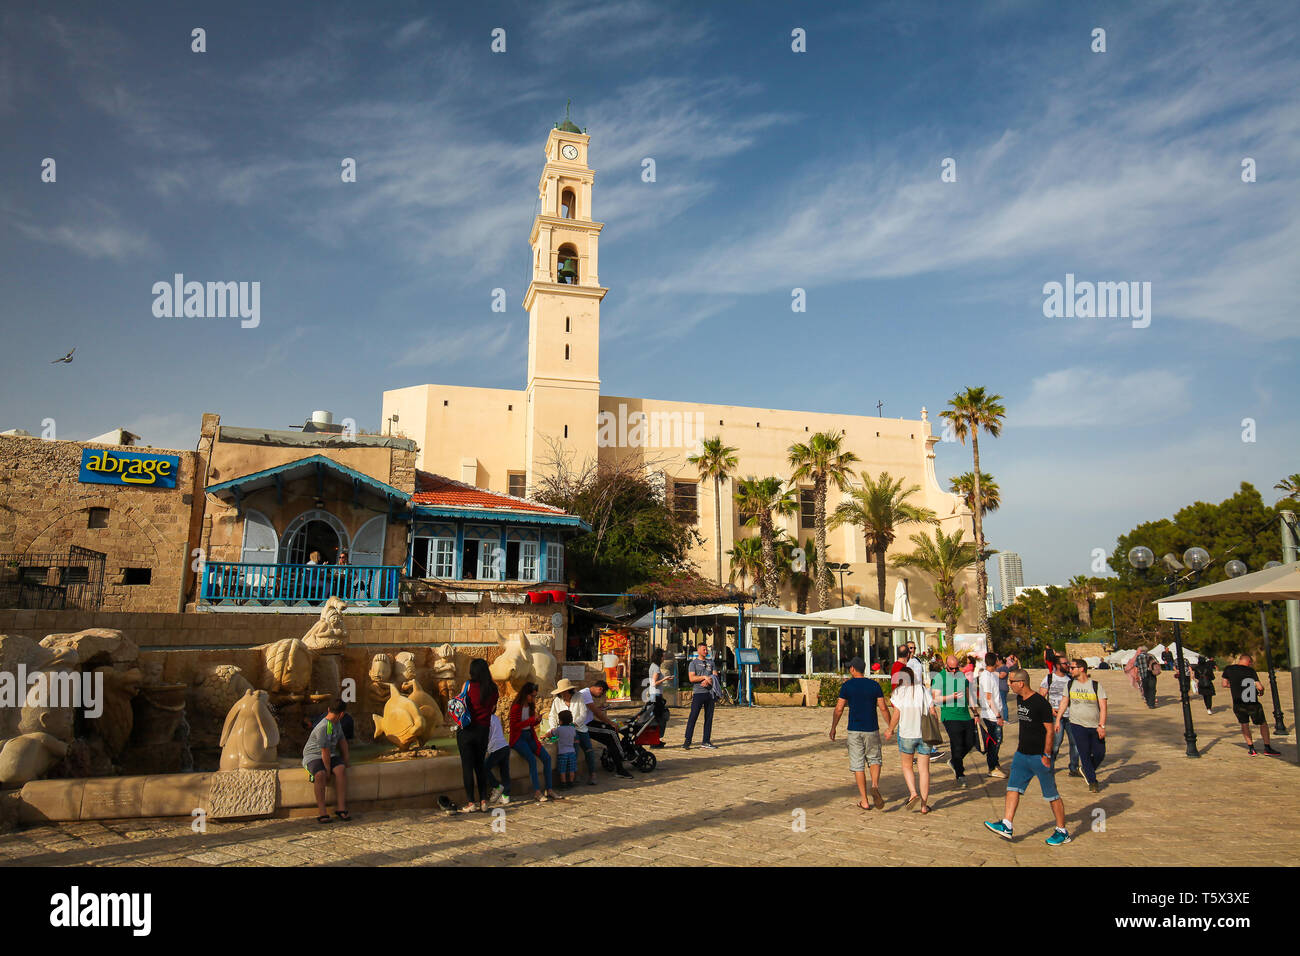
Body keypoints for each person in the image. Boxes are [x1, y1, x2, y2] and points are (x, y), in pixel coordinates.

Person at [985, 669, 1071, 846]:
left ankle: (1062, 830)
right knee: (1012, 788)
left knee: (1051, 795)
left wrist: (1047, 755)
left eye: (1011, 682)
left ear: (1021, 683)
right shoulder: (1019, 698)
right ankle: (1007, 824)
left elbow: (1049, 731)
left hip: (1039, 756)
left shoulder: (1040, 704)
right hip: (1021, 754)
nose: (1008, 684)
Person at [829, 657, 892, 810]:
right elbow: (883, 707)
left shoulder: (847, 686)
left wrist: (833, 727)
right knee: (874, 758)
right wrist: (890, 725)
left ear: (852, 669)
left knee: (858, 765)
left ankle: (864, 800)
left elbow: (839, 708)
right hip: (871, 728)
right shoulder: (874, 685)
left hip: (854, 729)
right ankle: (875, 785)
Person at [888, 667, 940, 813]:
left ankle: (913, 793)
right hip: (924, 734)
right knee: (924, 770)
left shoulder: (899, 692)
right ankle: (924, 806)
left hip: (906, 733)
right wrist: (935, 727)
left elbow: (897, 713)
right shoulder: (922, 689)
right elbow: (932, 711)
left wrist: (890, 729)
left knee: (907, 766)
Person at [455, 658, 498, 812]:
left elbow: (460, 705)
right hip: (483, 731)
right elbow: (493, 710)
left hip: (466, 731)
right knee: (480, 765)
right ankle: (484, 801)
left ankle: (471, 803)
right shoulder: (493, 689)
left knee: (467, 767)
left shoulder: (467, 685)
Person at [1060, 659, 1107, 792]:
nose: (1070, 670)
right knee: (1084, 753)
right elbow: (1064, 703)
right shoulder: (1069, 685)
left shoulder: (1096, 685)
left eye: (1073, 667)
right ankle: (1093, 782)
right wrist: (1058, 720)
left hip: (1095, 725)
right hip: (1076, 724)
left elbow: (1103, 707)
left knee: (1100, 753)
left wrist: (1101, 726)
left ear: (1081, 669)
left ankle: (1086, 769)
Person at [1221, 653, 1282, 756]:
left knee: (1244, 724)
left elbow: (1224, 684)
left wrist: (1236, 685)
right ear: (1249, 662)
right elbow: (1260, 687)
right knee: (1262, 723)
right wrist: (1262, 691)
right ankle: (1267, 747)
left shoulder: (1229, 669)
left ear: (1240, 659)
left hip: (1238, 702)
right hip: (1252, 702)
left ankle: (1251, 748)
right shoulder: (1250, 671)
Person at [302, 698, 351, 823]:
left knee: (341, 769)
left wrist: (346, 760)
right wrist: (328, 770)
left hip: (329, 754)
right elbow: (325, 751)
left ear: (329, 710)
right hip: (313, 755)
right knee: (321, 774)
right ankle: (322, 812)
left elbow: (342, 741)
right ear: (342, 714)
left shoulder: (336, 723)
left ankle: (341, 808)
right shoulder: (323, 727)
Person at [932, 655, 977, 789]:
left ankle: (954, 761)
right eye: (952, 668)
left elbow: (969, 694)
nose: (954, 671)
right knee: (956, 745)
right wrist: (952, 696)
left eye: (956, 668)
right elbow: (936, 699)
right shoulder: (940, 677)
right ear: (946, 665)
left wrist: (975, 712)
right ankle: (960, 774)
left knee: (970, 742)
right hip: (949, 715)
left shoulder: (962, 676)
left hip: (965, 715)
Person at [510, 681, 558, 800]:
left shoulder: (531, 706)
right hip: (518, 738)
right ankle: (537, 791)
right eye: (532, 695)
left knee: (546, 758)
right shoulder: (516, 707)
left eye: (535, 696)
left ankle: (549, 789)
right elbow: (515, 726)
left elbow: (530, 724)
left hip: (530, 736)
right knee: (532, 760)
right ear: (525, 694)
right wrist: (532, 720)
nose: (533, 698)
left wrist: (537, 720)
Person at [549, 678, 598, 784]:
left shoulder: (578, 697)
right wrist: (553, 728)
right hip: (565, 730)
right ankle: (573, 776)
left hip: (579, 728)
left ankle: (592, 774)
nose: (563, 694)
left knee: (588, 749)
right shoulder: (557, 701)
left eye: (565, 692)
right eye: (561, 692)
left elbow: (583, 714)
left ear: (569, 691)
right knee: (573, 751)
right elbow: (552, 715)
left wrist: (574, 724)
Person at [1039, 655, 1079, 778]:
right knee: (1055, 744)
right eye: (1064, 663)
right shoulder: (1049, 678)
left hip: (1070, 715)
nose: (1067, 665)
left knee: (1075, 744)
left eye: (1067, 663)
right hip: (1055, 716)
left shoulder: (1070, 680)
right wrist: (1050, 709)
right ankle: (1049, 767)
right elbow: (1041, 697)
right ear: (1057, 665)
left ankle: (1074, 768)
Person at [584, 679, 634, 777]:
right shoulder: (585, 694)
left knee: (610, 740)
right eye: (602, 694)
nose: (600, 696)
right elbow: (596, 713)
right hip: (585, 725)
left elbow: (593, 710)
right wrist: (611, 723)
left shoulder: (586, 693)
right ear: (600, 689)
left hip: (589, 722)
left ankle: (619, 767)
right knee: (612, 731)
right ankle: (622, 754)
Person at [682, 642, 718, 750]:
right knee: (693, 716)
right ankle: (687, 740)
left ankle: (706, 741)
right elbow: (692, 678)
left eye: (706, 650)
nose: (706, 651)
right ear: (698, 650)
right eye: (704, 650)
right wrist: (704, 677)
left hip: (710, 693)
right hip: (698, 693)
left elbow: (715, 675)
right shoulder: (693, 663)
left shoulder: (711, 662)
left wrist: (708, 680)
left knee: (709, 718)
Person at [977, 652, 1005, 777]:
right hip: (991, 714)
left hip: (995, 713)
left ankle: (995, 763)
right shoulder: (986, 677)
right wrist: (997, 715)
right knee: (995, 740)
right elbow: (989, 698)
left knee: (997, 740)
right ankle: (992, 767)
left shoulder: (991, 675)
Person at [484, 712, 512, 806]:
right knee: (505, 772)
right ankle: (505, 796)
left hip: (496, 748)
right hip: (505, 746)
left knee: (484, 768)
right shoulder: (495, 717)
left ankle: (496, 786)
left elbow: (486, 736)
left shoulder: (486, 719)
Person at [647, 647, 670, 744]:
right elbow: (654, 682)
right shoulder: (656, 668)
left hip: (653, 694)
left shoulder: (652, 666)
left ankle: (654, 739)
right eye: (663, 657)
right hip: (656, 694)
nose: (663, 659)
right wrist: (665, 679)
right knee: (659, 718)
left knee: (654, 717)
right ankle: (656, 739)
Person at [553, 711, 578, 788]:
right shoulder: (572, 729)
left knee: (562, 769)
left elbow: (552, 733)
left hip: (562, 753)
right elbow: (574, 737)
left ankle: (563, 783)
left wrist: (545, 736)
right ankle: (571, 782)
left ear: (560, 721)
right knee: (571, 769)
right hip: (572, 752)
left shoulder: (559, 729)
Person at [994, 655, 1013, 721]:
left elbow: (1002, 676)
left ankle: (1005, 718)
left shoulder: (1004, 667)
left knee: (1003, 703)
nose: (996, 662)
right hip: (997, 688)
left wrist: (993, 672)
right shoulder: (996, 668)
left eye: (997, 660)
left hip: (1002, 687)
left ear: (1000, 661)